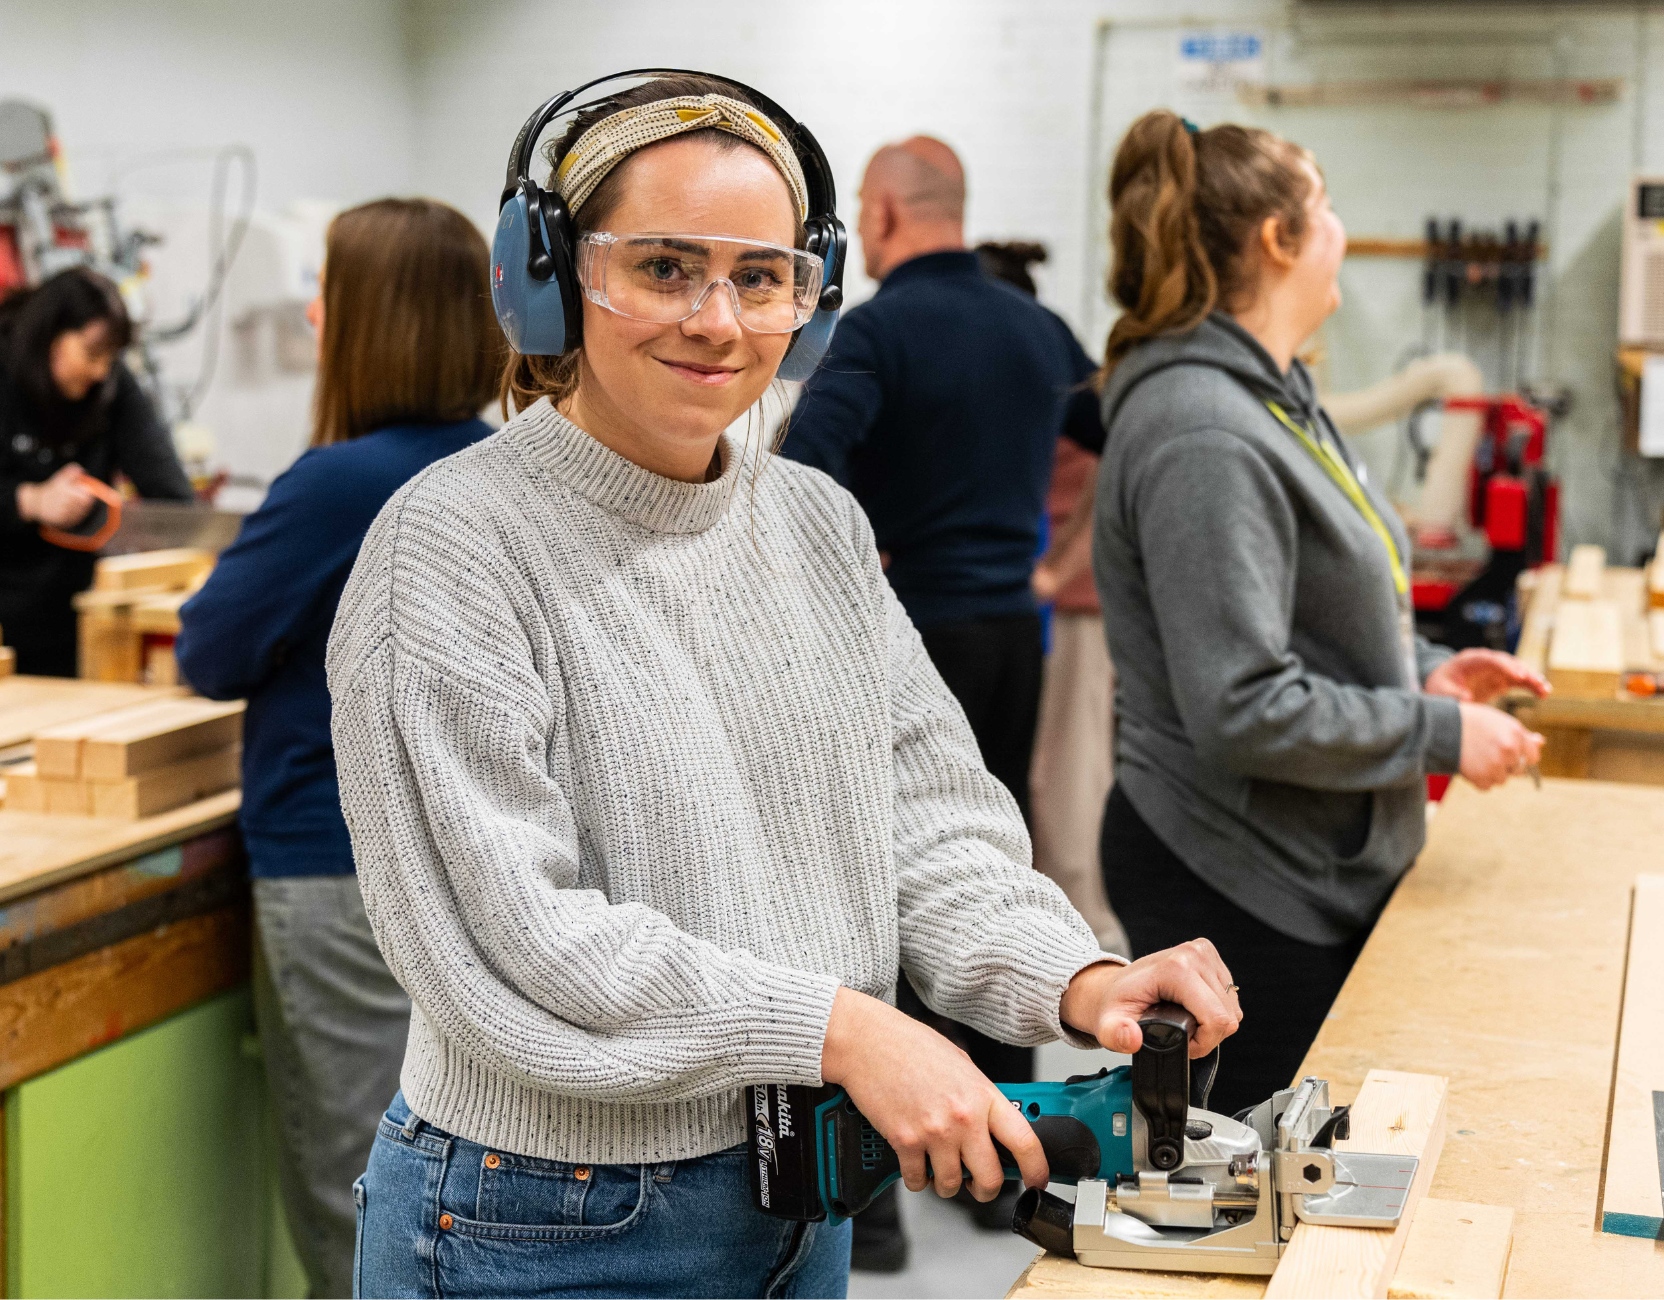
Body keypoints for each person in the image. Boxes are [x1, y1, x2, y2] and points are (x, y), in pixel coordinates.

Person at [327, 72, 1241, 1300]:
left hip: (797, 1196)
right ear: (548, 277)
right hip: (539, 1216)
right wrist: (841, 1029)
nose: (716, 319)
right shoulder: (448, 544)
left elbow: (927, 823)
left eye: (759, 277)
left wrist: (1074, 978)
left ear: (809, 302)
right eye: (663, 266)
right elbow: (513, 934)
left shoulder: (815, 523)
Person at [1091, 111, 1546, 1120]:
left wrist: (1419, 671)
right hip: (1239, 882)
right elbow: (1241, 705)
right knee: (1258, 1183)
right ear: (1277, 239)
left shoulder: (1275, 397)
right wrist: (1436, 733)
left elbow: (1309, 616)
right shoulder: (1205, 430)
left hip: (1304, 859)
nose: (1340, 229)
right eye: (1326, 207)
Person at [175, 198, 501, 1299]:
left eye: (327, 294)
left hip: (339, 871)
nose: (312, 314)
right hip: (480, 872)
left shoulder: (338, 484)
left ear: (367, 321)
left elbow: (210, 649)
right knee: (457, 1191)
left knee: (356, 1200)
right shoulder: (505, 466)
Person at [974, 240, 1126, 956]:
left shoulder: (1051, 370)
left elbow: (1116, 460)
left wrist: (1058, 570)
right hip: (1028, 607)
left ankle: (1097, 948)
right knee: (1031, 786)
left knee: (1068, 789)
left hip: (1072, 610)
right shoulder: (1021, 369)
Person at [0, 268, 192, 675]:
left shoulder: (111, 384)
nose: (100, 372)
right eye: (91, 355)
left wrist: (186, 537)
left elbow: (172, 497)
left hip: (80, 615)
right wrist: (29, 500)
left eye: (110, 359)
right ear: (50, 333)